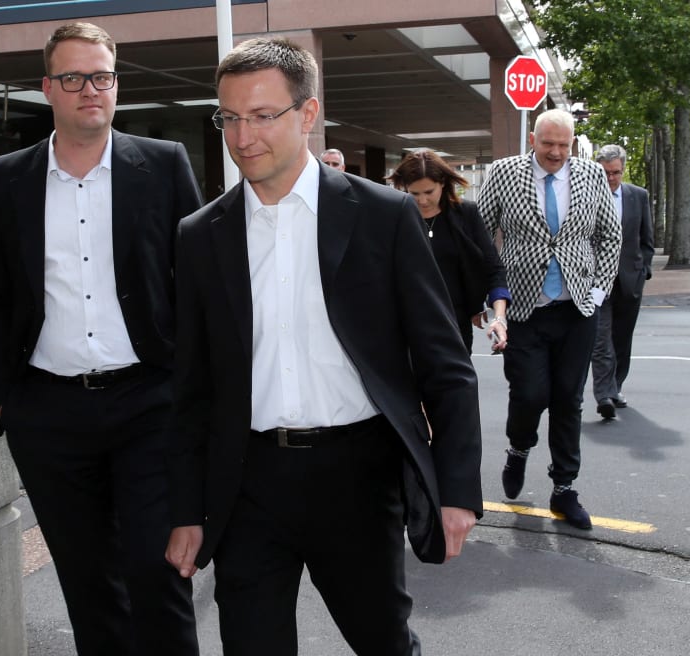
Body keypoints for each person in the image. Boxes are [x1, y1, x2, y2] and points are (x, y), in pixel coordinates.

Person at [165, 37, 482, 656]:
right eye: (228, 117)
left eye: (262, 115)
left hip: (357, 479)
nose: (242, 135)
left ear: (307, 115)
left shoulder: (384, 215)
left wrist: (457, 488)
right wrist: (187, 508)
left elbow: (445, 362)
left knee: (383, 641)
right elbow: (192, 388)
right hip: (247, 484)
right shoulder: (201, 235)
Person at [0, 22, 202, 656]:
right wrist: (4, 399)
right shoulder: (10, 177)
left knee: (159, 572)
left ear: (116, 84)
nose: (89, 89)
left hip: (148, 404)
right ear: (48, 88)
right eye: (72, 78)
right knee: (87, 583)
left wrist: (193, 388)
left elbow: (199, 285)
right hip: (48, 413)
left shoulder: (161, 166)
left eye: (101, 76)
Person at [477, 109, 620, 530]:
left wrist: (598, 289)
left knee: (568, 400)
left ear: (573, 142)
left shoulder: (592, 176)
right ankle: (519, 447)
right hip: (522, 310)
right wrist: (486, 297)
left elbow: (610, 236)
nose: (556, 152)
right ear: (533, 141)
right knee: (529, 394)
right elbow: (481, 236)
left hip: (577, 308)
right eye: (548, 144)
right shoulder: (504, 173)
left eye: (564, 145)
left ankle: (564, 489)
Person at [387, 149, 510, 353]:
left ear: (442, 183)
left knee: (456, 383)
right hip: (406, 327)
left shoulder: (466, 214)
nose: (422, 201)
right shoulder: (395, 219)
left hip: (455, 324)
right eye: (414, 193)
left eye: (429, 192)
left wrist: (499, 318)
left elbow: (494, 269)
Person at [591, 144, 654, 418]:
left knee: (622, 339)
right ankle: (603, 394)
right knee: (600, 339)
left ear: (623, 170)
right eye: (605, 173)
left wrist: (644, 271)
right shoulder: (585, 197)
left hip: (630, 280)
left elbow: (646, 240)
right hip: (596, 283)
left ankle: (615, 387)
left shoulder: (637, 196)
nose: (611, 178)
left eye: (615, 172)